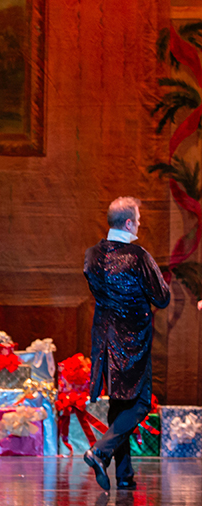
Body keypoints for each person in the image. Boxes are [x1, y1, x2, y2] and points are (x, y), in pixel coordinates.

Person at [82, 196, 170, 491]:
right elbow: (161, 297)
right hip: (132, 341)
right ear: (129, 223)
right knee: (141, 403)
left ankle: (124, 474)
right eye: (139, 219)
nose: (140, 224)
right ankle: (99, 452)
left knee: (120, 403)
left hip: (106, 340)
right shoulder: (138, 256)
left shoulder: (91, 255)